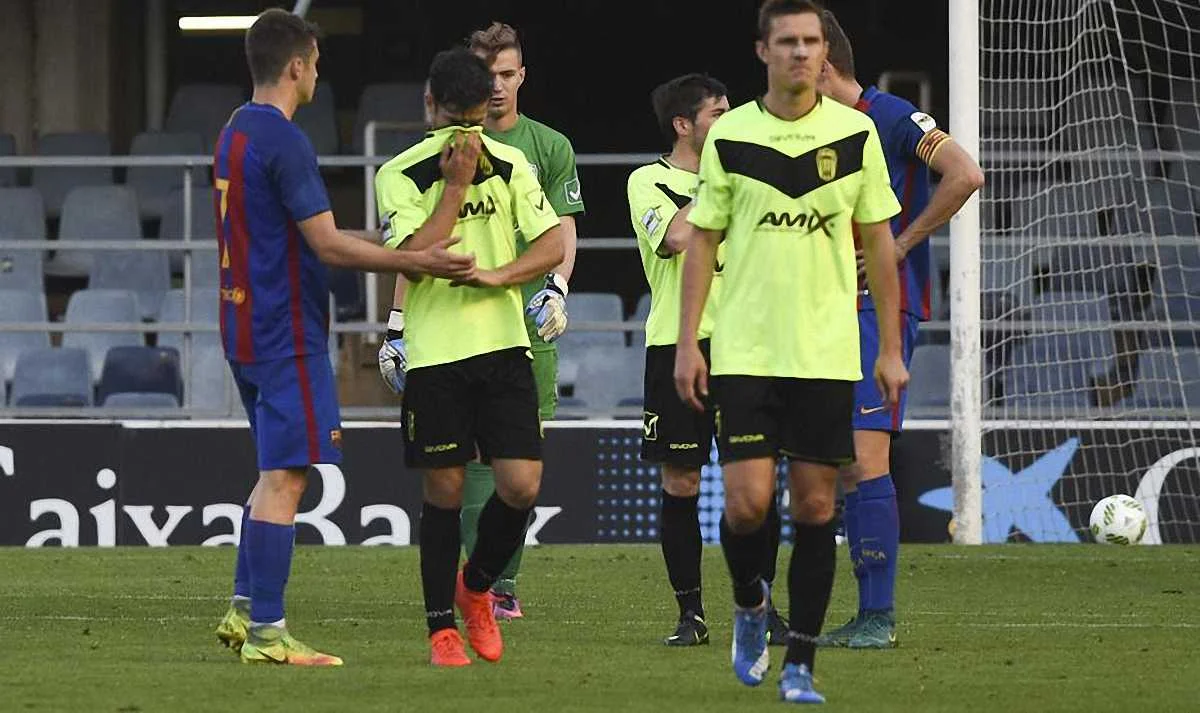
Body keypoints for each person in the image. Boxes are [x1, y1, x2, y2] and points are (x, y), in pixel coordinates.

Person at [211, 9, 476, 667]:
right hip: (285, 328)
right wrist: (413, 259)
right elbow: (327, 246)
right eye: (316, 61)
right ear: (297, 65)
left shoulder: (236, 128)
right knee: (287, 477)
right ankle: (268, 633)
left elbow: (302, 233)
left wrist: (391, 244)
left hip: (242, 322)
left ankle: (244, 609)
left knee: (270, 471)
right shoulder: (285, 141)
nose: (318, 72)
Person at [673, 0, 909, 703]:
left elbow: (880, 246)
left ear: (824, 52)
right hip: (745, 348)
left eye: (811, 41)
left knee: (813, 506)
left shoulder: (856, 134)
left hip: (826, 353)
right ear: (763, 50)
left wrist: (891, 348)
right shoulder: (732, 134)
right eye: (787, 41)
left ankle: (800, 663)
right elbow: (703, 242)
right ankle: (751, 602)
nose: (801, 52)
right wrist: (688, 343)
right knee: (747, 504)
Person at [379, 22, 584, 620]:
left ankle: (495, 583)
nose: (494, 87)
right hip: (441, 341)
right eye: (484, 76)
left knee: (519, 474)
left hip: (517, 331)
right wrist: (396, 323)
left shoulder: (536, 151)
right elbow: (411, 254)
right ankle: (457, 610)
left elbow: (559, 234)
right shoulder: (408, 168)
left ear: (521, 77)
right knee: (455, 476)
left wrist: (548, 286)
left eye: (505, 75)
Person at [814, 8, 984, 650]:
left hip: (876, 308)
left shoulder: (889, 115)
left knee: (863, 458)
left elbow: (965, 173)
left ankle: (877, 616)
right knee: (831, 465)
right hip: (821, 309)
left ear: (823, 62)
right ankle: (846, 612)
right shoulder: (818, 132)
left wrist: (902, 243)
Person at [629, 73, 788, 647]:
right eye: (717, 114)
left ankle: (763, 608)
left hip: (746, 346)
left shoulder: (750, 178)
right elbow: (676, 237)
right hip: (678, 344)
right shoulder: (648, 180)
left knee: (757, 484)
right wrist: (725, 180)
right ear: (683, 124)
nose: (729, 120)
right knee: (682, 480)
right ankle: (690, 615)